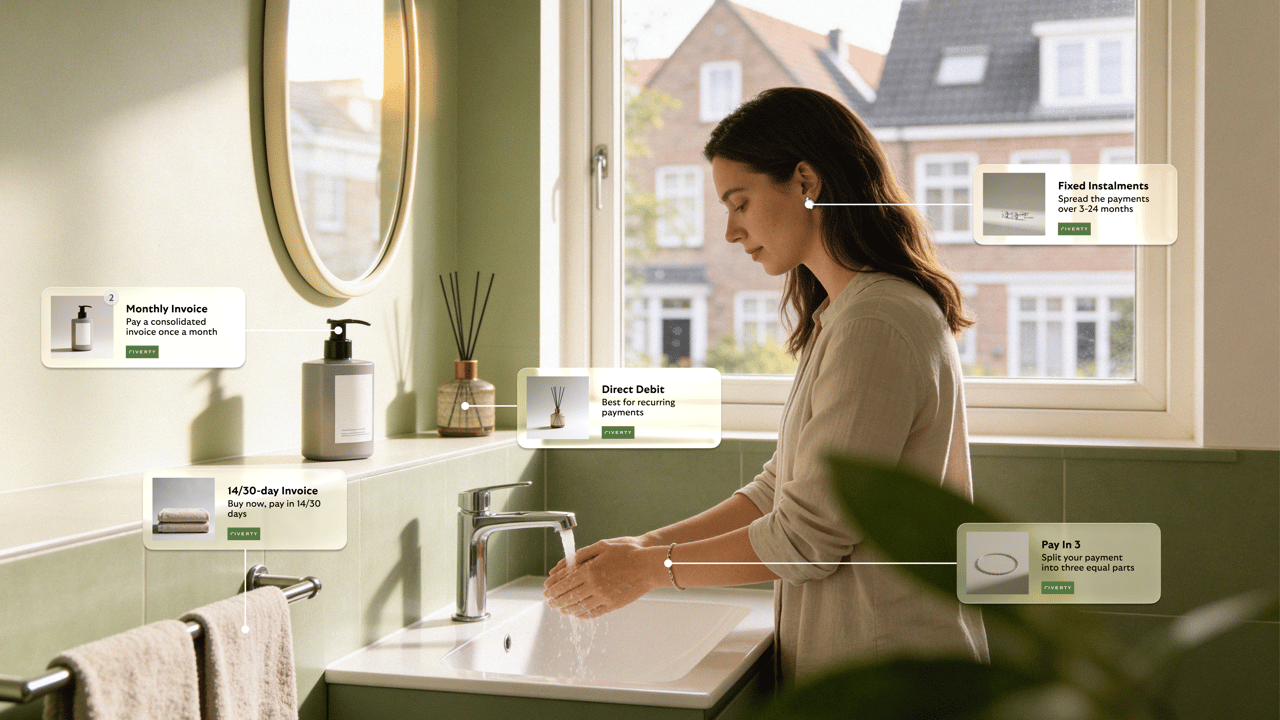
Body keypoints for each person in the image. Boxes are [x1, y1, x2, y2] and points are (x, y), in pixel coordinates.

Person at [543, 87, 989, 684]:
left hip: (895, 675)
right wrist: (644, 546)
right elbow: (778, 490)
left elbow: (805, 540)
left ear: (806, 181)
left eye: (740, 202)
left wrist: (650, 569)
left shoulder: (877, 323)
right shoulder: (848, 314)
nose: (731, 230)